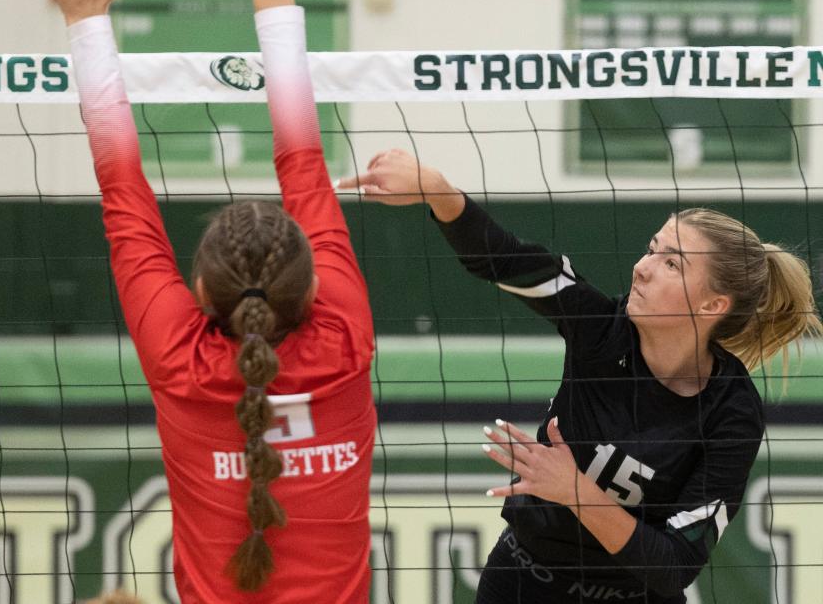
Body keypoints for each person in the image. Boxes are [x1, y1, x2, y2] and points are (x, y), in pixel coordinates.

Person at [37, 0, 375, 602]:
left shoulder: (182, 357)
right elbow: (304, 163)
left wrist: (86, 18)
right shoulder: (346, 338)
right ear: (313, 285)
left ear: (198, 295)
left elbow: (125, 190)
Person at [338, 149, 821, 603]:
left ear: (713, 305)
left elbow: (675, 566)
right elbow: (506, 259)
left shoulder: (730, 410)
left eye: (671, 263)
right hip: (523, 581)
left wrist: (575, 492)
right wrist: (436, 191)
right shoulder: (600, 331)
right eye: (652, 248)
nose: (642, 268)